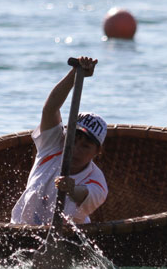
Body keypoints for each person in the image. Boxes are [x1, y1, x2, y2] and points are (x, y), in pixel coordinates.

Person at [11, 57, 108, 227]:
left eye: (86, 146)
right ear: (66, 136)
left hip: (70, 238)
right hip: (21, 229)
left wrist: (71, 189)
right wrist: (75, 74)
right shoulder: (52, 145)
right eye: (73, 140)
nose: (76, 149)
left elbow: (83, 193)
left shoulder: (97, 181)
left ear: (97, 152)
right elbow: (50, 109)